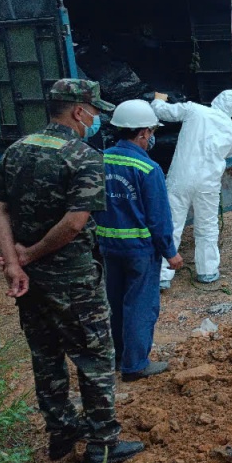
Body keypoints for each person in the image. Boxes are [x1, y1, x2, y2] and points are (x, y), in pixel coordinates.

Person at [0, 79, 144, 463]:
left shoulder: (17, 149)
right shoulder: (83, 156)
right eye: (93, 112)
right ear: (78, 111)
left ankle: (61, 436)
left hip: (30, 281)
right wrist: (30, 253)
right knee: (95, 357)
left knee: (46, 357)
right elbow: (75, 223)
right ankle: (102, 445)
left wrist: (14, 263)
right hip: (73, 281)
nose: (95, 120)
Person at [94, 100, 183, 382]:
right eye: (151, 132)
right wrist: (170, 252)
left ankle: (119, 356)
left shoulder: (100, 160)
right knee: (141, 306)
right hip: (140, 251)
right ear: (143, 132)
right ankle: (135, 365)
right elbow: (158, 218)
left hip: (108, 247)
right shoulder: (147, 168)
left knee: (116, 302)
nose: (151, 137)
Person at [152, 90, 232, 289]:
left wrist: (158, 100)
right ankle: (207, 271)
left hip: (181, 179)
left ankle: (162, 276)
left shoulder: (194, 110)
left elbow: (164, 112)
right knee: (207, 226)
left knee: (172, 224)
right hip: (208, 184)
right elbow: (231, 152)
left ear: (216, 99)